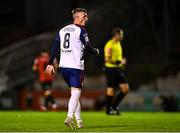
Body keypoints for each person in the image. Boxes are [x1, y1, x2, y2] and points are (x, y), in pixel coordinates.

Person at [45, 8, 99, 129]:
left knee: (75, 94)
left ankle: (79, 120)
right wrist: (96, 51)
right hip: (76, 67)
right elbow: (89, 48)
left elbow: (54, 47)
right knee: (76, 94)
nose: (86, 18)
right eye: (84, 16)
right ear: (77, 17)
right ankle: (69, 117)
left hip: (64, 68)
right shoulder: (81, 30)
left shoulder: (63, 30)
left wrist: (50, 63)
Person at [104, 28, 129, 115]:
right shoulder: (109, 44)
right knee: (111, 89)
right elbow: (107, 60)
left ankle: (114, 106)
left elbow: (117, 57)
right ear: (116, 35)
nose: (122, 36)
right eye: (121, 34)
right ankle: (108, 109)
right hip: (110, 69)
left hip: (118, 69)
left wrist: (121, 61)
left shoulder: (118, 43)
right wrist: (119, 61)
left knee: (125, 89)